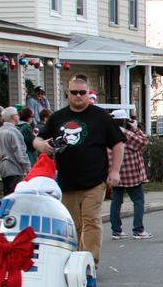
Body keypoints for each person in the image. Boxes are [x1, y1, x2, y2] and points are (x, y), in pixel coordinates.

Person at [34, 75, 125, 265]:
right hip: (66, 182)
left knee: (91, 220)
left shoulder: (100, 117)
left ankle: (90, 261)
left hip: (94, 181)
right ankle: (73, 260)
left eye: (82, 92)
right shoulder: (57, 117)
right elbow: (38, 138)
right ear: (67, 94)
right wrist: (42, 146)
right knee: (72, 224)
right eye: (74, 92)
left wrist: (115, 171)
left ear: (88, 93)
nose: (78, 96)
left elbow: (118, 143)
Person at [109, 109, 151, 240]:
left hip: (115, 171)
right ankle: (138, 229)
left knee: (116, 201)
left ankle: (116, 230)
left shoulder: (108, 132)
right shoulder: (125, 132)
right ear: (124, 120)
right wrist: (135, 128)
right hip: (130, 172)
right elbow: (143, 141)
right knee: (138, 200)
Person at [0, 106, 31, 195]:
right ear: (13, 117)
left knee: (7, 195)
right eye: (17, 115)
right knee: (15, 196)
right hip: (15, 168)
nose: (18, 116)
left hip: (4, 169)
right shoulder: (14, 132)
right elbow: (20, 152)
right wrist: (28, 167)